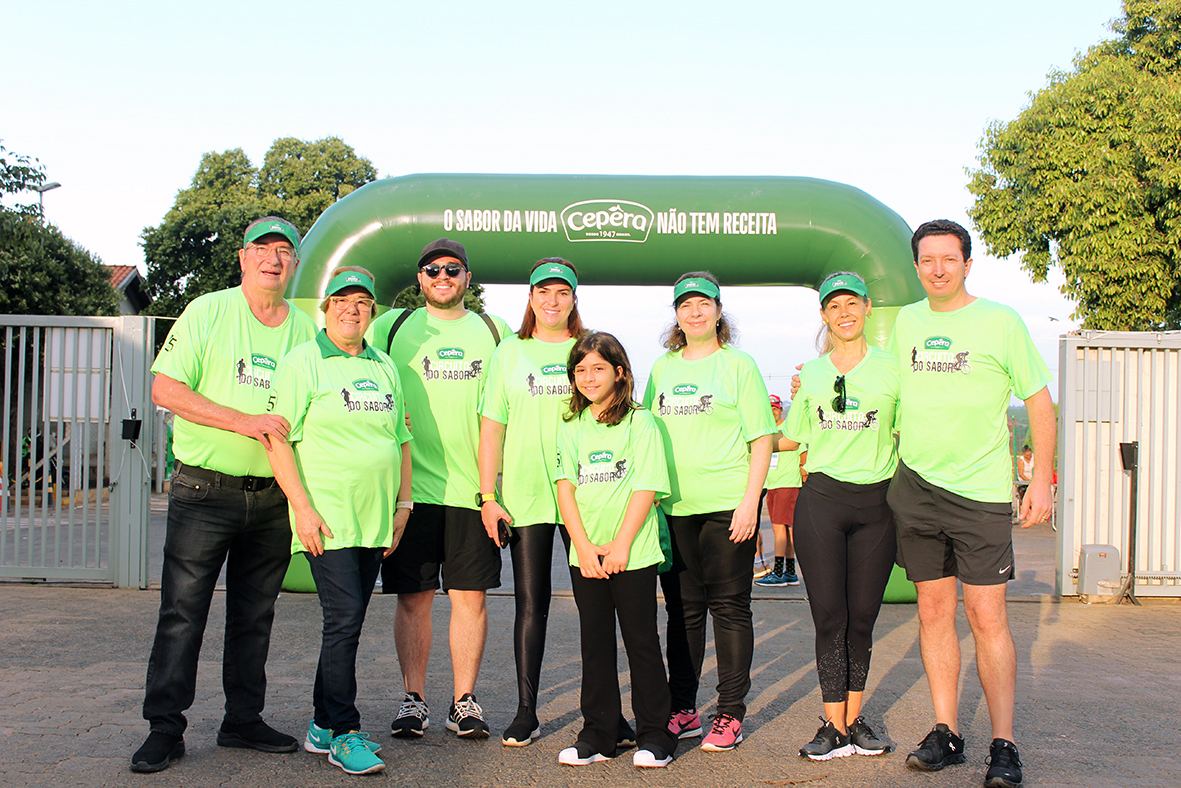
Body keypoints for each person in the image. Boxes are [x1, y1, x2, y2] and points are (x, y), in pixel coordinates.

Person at [131, 217, 317, 772]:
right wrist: (243, 422)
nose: (274, 259)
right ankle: (165, 728)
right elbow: (165, 387)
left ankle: (242, 721)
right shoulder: (208, 311)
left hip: (272, 499)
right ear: (242, 258)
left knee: (254, 615)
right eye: (263, 249)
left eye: (285, 251)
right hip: (203, 491)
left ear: (295, 264)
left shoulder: (306, 330)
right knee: (183, 613)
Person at [886, 220, 1054, 788]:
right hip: (916, 489)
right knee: (933, 613)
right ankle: (946, 732)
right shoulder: (907, 322)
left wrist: (1042, 482)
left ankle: (1004, 745)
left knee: (987, 617)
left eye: (948, 259)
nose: (937, 269)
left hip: (980, 493)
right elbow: (890, 397)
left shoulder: (1001, 321)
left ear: (967, 265)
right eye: (927, 260)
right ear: (916, 267)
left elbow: (1039, 402)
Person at [265, 268, 413, 775]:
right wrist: (301, 509)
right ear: (326, 309)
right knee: (344, 621)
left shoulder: (384, 365)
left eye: (363, 302)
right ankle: (346, 733)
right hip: (328, 520)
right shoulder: (303, 362)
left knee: (343, 627)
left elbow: (401, 440)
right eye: (343, 301)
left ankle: (321, 724)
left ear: (372, 311)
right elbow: (276, 440)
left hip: (376, 521)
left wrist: (403, 506)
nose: (353, 309)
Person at [367, 238, 512, 740]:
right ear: (419, 277)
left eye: (453, 269)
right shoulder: (391, 327)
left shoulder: (496, 332)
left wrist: (498, 489)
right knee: (414, 599)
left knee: (470, 598)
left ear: (468, 278)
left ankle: (463, 701)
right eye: (432, 270)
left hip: (476, 494)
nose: (443, 276)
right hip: (412, 493)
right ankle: (414, 699)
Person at [643, 272, 776, 752]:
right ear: (676, 316)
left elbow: (762, 439)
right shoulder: (662, 368)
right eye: (685, 305)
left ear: (719, 312)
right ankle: (684, 710)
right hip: (675, 509)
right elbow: (645, 434)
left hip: (727, 508)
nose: (695, 312)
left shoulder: (738, 366)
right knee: (681, 613)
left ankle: (730, 713)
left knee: (730, 608)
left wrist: (750, 503)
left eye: (704, 304)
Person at [777, 272, 899, 761]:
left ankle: (854, 720)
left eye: (852, 303)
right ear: (824, 315)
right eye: (834, 306)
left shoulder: (894, 371)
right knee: (829, 616)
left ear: (867, 308)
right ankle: (832, 726)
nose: (844, 313)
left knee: (863, 620)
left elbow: (912, 434)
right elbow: (792, 436)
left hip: (878, 505)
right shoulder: (810, 373)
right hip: (822, 502)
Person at [554, 332, 679, 769]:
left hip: (633, 553)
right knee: (596, 644)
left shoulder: (640, 422)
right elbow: (565, 488)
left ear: (620, 372)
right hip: (586, 553)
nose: (588, 377)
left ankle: (654, 734)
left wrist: (622, 545)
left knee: (641, 641)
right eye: (580, 370)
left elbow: (646, 486)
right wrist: (582, 545)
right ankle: (600, 732)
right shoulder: (569, 424)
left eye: (598, 368)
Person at [477, 258, 588, 746]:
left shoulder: (588, 350)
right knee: (530, 604)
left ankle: (602, 711)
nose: (552, 300)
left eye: (562, 292)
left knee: (594, 605)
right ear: (530, 297)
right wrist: (487, 495)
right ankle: (527, 711)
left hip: (586, 495)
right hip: (524, 496)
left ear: (573, 299)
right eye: (543, 292)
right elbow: (492, 427)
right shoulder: (509, 352)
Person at [754, 393, 805, 587]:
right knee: (785, 529)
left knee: (779, 529)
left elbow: (803, 456)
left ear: (780, 409)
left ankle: (777, 572)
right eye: (769, 408)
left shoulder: (788, 430)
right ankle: (790, 572)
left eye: (775, 408)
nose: (772, 412)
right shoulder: (768, 431)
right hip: (772, 485)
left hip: (786, 483)